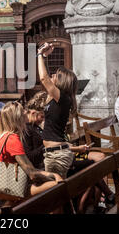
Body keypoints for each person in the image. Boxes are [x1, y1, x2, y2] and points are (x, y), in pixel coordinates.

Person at [0, 102, 62, 202]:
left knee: (56, 181)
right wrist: (52, 177)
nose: (26, 113)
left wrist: (51, 175)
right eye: (23, 112)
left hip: (2, 188)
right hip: (2, 195)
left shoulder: (4, 135)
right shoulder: (12, 139)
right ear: (18, 118)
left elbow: (30, 170)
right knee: (58, 186)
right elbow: (32, 174)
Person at [37, 43, 78, 179]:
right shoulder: (58, 98)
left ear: (62, 81)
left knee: (55, 192)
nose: (52, 75)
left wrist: (38, 55)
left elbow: (44, 78)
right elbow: (47, 78)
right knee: (53, 192)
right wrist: (44, 56)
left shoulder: (63, 98)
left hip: (57, 154)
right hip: (52, 152)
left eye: (56, 75)